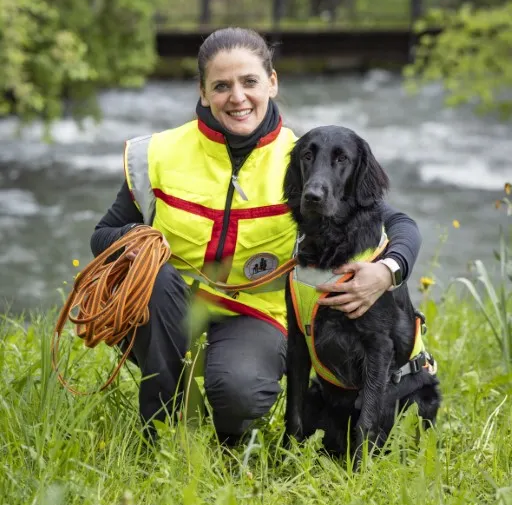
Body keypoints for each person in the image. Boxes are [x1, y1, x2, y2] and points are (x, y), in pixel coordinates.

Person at [90, 27, 422, 443]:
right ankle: (162, 427)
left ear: (272, 82)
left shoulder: (308, 159)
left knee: (239, 394)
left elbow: (400, 224)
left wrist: (388, 271)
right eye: (221, 85)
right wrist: (141, 239)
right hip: (170, 307)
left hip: (255, 315)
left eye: (249, 82)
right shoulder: (157, 153)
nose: (237, 97)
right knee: (152, 274)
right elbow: (102, 234)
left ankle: (230, 422)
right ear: (203, 90)